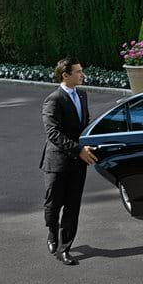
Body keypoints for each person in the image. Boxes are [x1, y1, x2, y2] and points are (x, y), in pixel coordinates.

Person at [40, 57, 97, 266]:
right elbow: (53, 133)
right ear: (66, 75)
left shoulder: (82, 95)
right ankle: (52, 233)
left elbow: (86, 124)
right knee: (53, 206)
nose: (82, 75)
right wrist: (78, 149)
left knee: (73, 207)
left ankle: (65, 248)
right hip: (57, 163)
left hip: (78, 162)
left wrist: (91, 143)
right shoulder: (53, 100)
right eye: (78, 72)